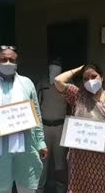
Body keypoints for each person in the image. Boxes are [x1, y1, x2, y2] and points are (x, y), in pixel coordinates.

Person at [0, 45, 48, 193]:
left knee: (27, 187)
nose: (8, 63)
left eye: (11, 60)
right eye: (4, 59)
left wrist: (41, 142)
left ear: (17, 63)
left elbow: (36, 115)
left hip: (26, 147)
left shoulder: (27, 83)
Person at [54, 63, 105, 193]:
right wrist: (80, 68)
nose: (90, 81)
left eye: (93, 76)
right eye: (85, 78)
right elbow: (58, 81)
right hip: (81, 161)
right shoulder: (78, 96)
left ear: (101, 77)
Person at [36, 59, 68, 193]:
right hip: (44, 127)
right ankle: (40, 189)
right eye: (52, 65)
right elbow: (36, 105)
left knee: (60, 162)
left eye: (58, 65)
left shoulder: (67, 85)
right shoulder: (42, 84)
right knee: (42, 161)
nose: (54, 68)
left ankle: (61, 189)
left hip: (61, 127)